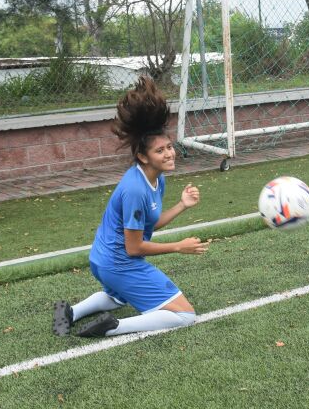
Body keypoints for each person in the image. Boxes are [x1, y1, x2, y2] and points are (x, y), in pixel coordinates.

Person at [53, 76, 209, 338]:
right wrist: (178, 246)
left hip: (102, 259)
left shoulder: (156, 178)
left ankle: (70, 312)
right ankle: (113, 327)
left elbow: (149, 225)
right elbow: (134, 247)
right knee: (185, 315)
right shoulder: (135, 189)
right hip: (118, 263)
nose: (169, 154)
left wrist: (182, 205)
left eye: (169, 147)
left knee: (118, 297)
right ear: (142, 156)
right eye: (160, 151)